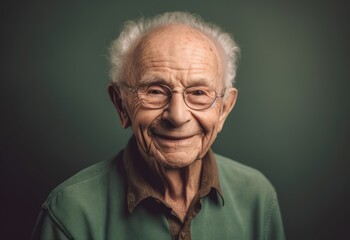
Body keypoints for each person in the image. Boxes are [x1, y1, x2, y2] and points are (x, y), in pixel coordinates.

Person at [32, 11, 285, 240]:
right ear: (122, 105)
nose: (177, 116)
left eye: (198, 92)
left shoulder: (258, 197)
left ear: (224, 110)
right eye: (154, 91)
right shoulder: (69, 211)